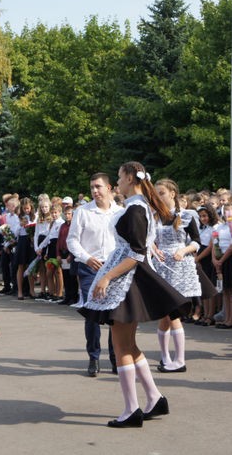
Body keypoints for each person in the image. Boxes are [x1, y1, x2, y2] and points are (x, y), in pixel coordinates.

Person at [79, 162, 192, 428]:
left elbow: (137, 253)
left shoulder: (136, 208)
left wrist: (107, 276)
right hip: (127, 278)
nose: (117, 182)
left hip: (126, 281)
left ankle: (132, 409)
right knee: (127, 346)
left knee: (122, 348)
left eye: (119, 177)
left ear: (130, 177)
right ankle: (154, 398)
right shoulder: (137, 207)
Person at [67, 173, 123, 376]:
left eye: (98, 187)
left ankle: (116, 358)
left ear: (109, 188)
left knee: (113, 314)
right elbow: (72, 241)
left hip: (114, 269)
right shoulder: (83, 212)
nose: (94, 191)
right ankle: (94, 357)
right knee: (92, 314)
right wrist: (86, 257)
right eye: (92, 187)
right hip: (89, 267)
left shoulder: (120, 212)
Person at [153, 179, 202, 373]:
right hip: (161, 266)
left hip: (180, 267)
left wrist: (184, 250)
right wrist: (154, 249)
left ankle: (180, 359)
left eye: (162, 193)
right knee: (164, 315)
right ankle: (165, 356)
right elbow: (150, 240)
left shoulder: (187, 216)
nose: (159, 197)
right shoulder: (155, 216)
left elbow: (197, 242)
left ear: (173, 193)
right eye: (156, 194)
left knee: (174, 312)